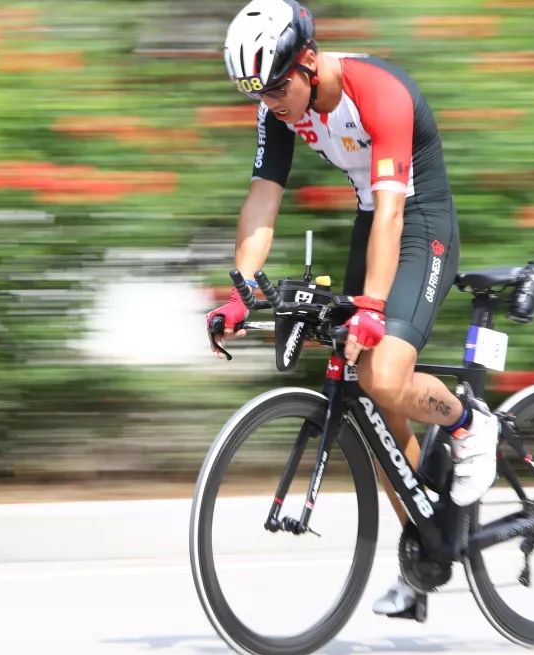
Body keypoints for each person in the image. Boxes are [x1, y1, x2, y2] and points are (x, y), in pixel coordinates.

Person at [206, 0, 500, 620]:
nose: (271, 102)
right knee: (367, 402)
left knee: (384, 372)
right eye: (257, 93)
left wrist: (369, 306)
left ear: (308, 62)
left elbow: (394, 211)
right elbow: (263, 199)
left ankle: (471, 426)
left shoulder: (379, 94)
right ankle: (427, 552)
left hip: (419, 221)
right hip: (375, 222)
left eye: (278, 85)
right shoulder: (279, 109)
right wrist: (240, 288)